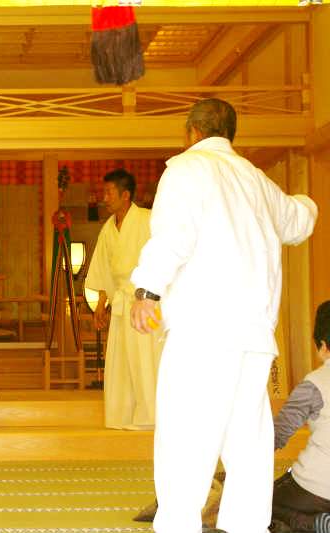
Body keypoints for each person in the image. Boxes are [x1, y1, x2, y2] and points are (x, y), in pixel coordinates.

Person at [129, 98, 317, 533]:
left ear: (191, 131)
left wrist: (147, 291)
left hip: (203, 329)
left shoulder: (186, 170)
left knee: (187, 434)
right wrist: (308, 202)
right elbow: (299, 222)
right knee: (248, 439)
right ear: (231, 134)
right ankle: (247, 526)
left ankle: (178, 526)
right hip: (254, 334)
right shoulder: (255, 179)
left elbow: (173, 237)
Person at [84, 169, 163, 430]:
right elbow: (104, 269)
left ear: (125, 194)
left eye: (109, 192)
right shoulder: (109, 229)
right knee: (121, 361)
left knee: (146, 360)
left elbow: (163, 258)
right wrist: (101, 303)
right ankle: (123, 416)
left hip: (146, 299)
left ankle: (151, 416)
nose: (104, 198)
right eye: (104, 192)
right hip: (121, 301)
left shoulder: (148, 220)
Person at [271, 301, 330, 533]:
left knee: (262, 501)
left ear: (323, 346)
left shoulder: (316, 383)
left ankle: (312, 524)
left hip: (317, 489)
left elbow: (277, 435)